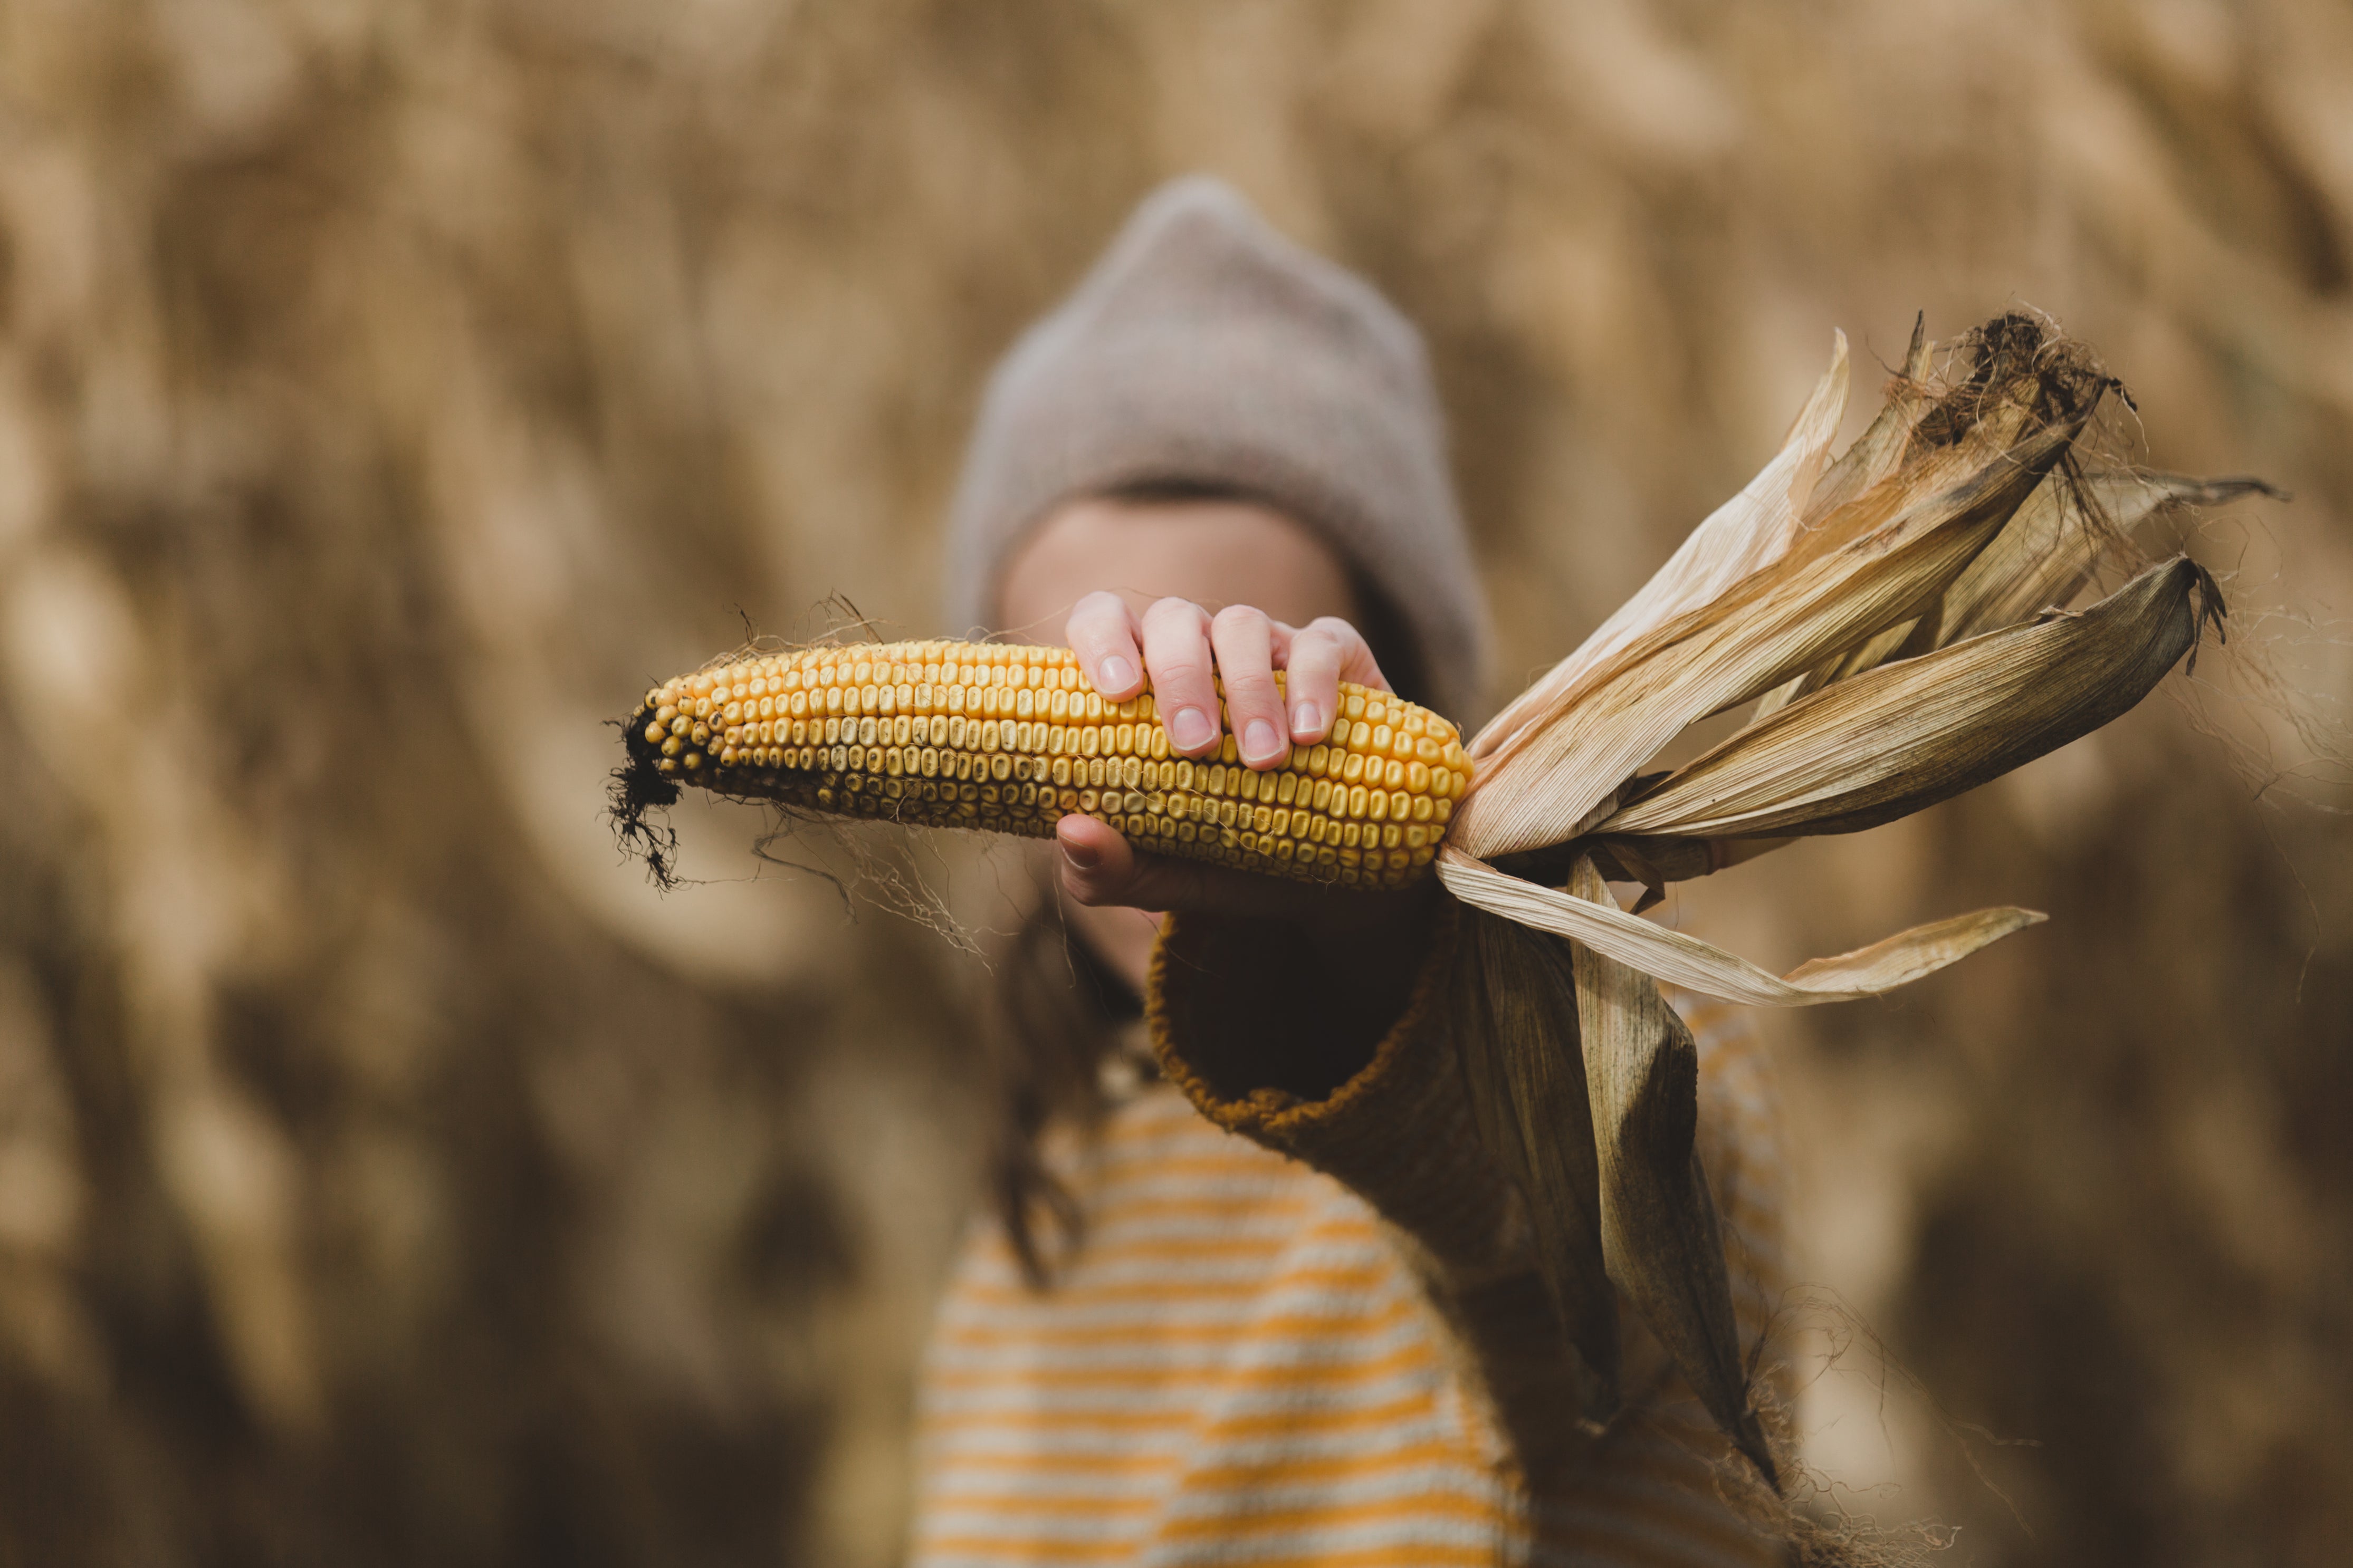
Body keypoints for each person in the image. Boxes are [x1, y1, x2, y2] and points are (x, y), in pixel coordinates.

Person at [913, 177, 1791, 1566]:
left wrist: (1387, 957)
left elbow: (1538, 1220)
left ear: (1399, 693)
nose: (1169, 772)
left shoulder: (1622, 1047)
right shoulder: (1042, 1203)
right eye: (1088, 705)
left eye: (1235, 695)